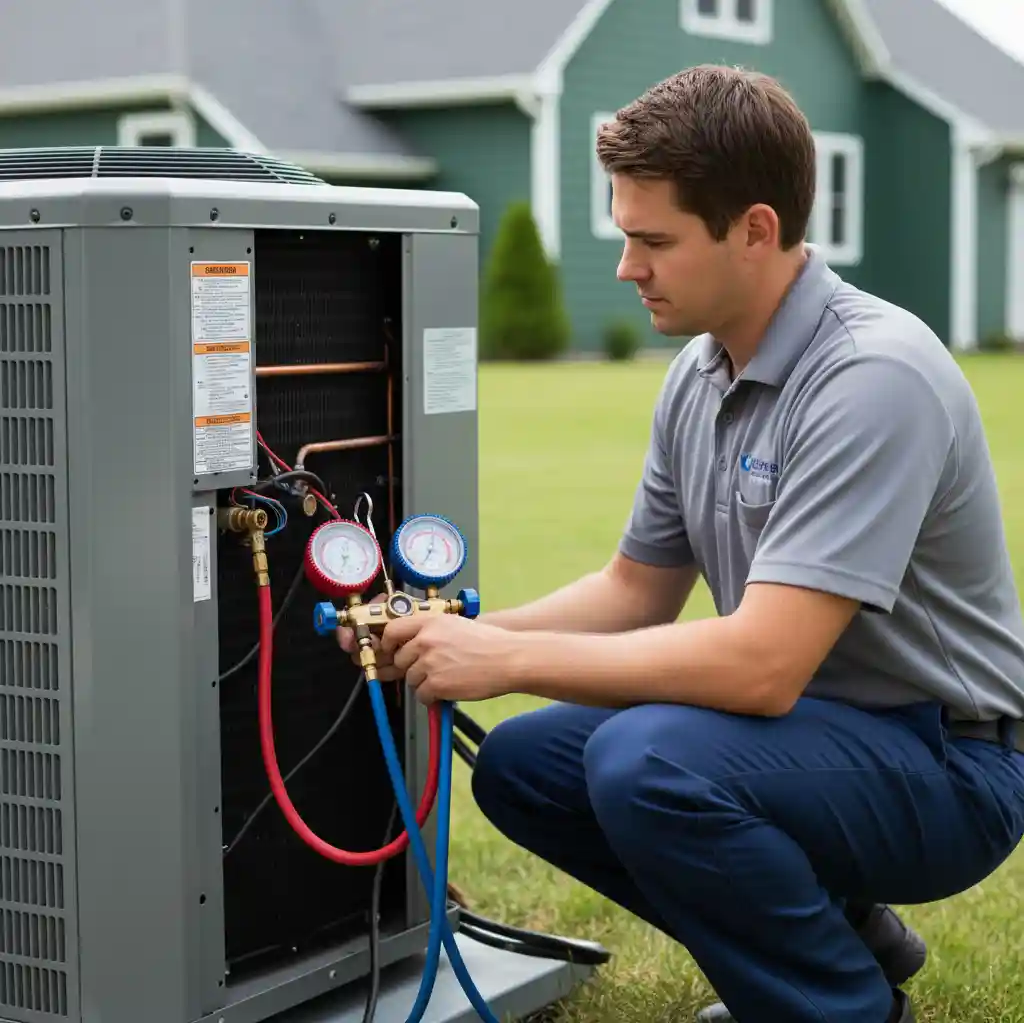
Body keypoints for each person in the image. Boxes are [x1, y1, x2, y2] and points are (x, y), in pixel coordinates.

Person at [338, 64, 1024, 1023]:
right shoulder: (702, 373)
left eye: (652, 240)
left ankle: (839, 1011)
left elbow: (763, 668)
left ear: (754, 230)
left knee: (646, 762)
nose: (627, 268)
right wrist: (439, 626)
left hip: (949, 760)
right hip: (815, 741)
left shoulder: (873, 377)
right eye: (626, 237)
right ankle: (846, 936)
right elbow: (634, 589)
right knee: (527, 768)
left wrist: (507, 657)